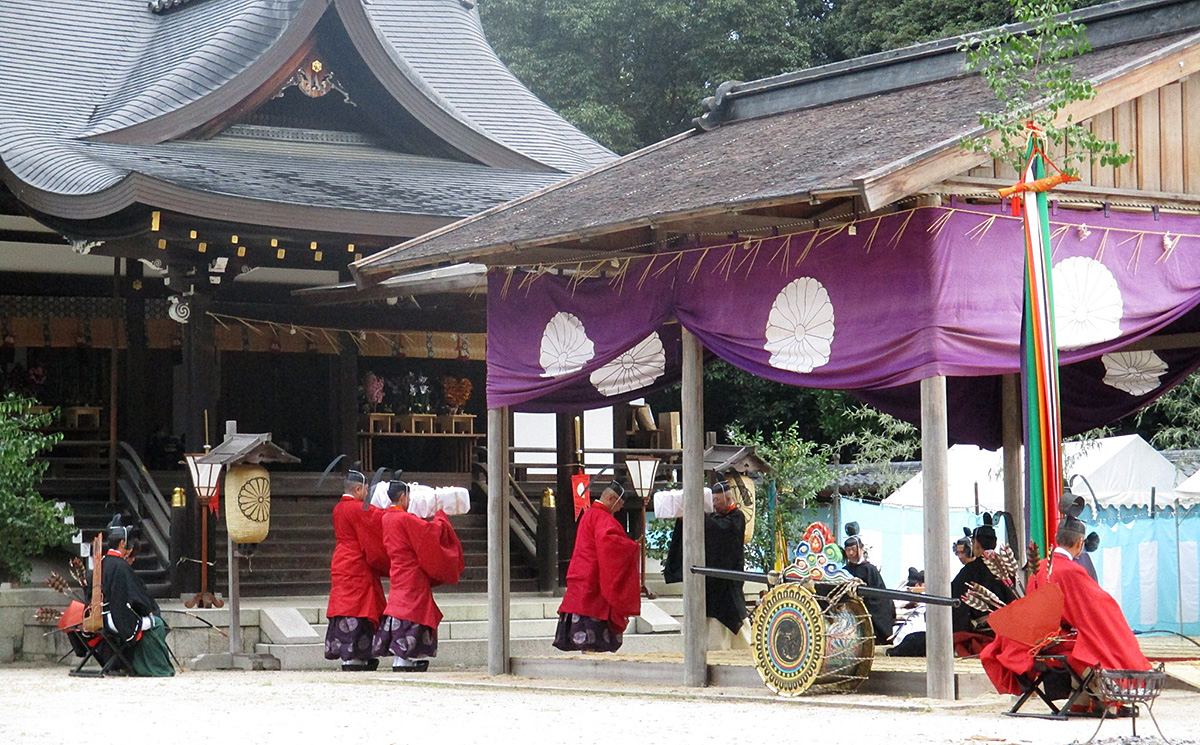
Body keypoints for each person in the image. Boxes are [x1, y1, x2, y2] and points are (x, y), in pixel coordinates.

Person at [980, 516, 1151, 698]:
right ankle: (1103, 697)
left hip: (1033, 640)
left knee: (1086, 640)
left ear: (1056, 537)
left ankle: (1083, 700)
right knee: (1100, 642)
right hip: (1053, 641)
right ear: (1080, 543)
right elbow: (1099, 609)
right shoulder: (1072, 571)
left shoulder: (1040, 568)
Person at [372, 480, 465, 672]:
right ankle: (406, 657)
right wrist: (441, 518)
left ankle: (401, 657)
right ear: (404, 497)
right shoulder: (404, 519)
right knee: (413, 612)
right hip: (412, 572)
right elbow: (428, 532)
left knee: (399, 609)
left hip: (397, 569)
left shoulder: (385, 518)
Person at [554, 479, 641, 653]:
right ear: (611, 498)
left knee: (582, 618)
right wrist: (632, 547)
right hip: (594, 577)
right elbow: (609, 544)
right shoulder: (603, 518)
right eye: (619, 505)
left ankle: (586, 653)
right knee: (593, 624)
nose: (619, 509)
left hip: (581, 572)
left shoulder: (590, 514)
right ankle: (591, 653)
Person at [86, 516, 173, 676]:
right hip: (117, 620)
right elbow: (137, 597)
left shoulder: (101, 563)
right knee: (157, 623)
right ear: (122, 543)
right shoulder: (121, 566)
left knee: (148, 619)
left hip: (100, 617)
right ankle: (155, 668)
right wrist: (149, 610)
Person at [662, 481, 749, 638]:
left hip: (728, 576)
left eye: (717, 501)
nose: (714, 505)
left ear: (728, 499)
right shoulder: (714, 517)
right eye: (712, 500)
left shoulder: (737, 517)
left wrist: (693, 515)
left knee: (729, 610)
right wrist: (685, 519)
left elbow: (719, 530)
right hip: (710, 579)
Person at [325, 470, 388, 671]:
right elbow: (377, 519)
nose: (367, 495)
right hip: (357, 562)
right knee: (358, 609)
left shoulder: (338, 509)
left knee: (345, 607)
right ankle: (356, 656)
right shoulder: (358, 509)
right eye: (366, 490)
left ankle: (351, 655)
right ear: (359, 489)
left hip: (341, 560)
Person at [951, 522, 1016, 634]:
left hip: (983, 631)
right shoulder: (1007, 566)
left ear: (976, 544)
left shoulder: (970, 570)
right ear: (995, 543)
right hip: (1009, 628)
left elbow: (956, 597)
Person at [842, 526, 896, 644]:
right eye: (848, 550)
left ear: (861, 549)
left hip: (869, 606)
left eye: (853, 549)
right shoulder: (844, 570)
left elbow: (878, 595)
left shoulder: (869, 569)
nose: (851, 553)